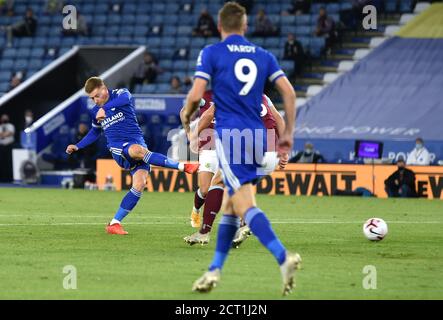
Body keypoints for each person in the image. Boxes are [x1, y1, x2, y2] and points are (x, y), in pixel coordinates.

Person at [182, 2, 300, 295]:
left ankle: (283, 257)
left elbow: (197, 95)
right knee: (231, 205)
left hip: (232, 138)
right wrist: (287, 138)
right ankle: (214, 270)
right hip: (259, 138)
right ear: (245, 27)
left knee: (245, 204)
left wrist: (187, 117)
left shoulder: (211, 52)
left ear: (219, 27)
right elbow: (289, 93)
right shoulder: (263, 55)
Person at [66, 77, 199, 235]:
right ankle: (183, 166)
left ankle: (114, 223)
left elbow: (126, 98)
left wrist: (105, 107)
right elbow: (95, 132)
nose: (95, 100)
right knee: (138, 151)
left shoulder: (121, 94)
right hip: (118, 149)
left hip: (137, 144)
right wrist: (78, 145)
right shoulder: (96, 111)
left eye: (96, 96)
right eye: (92, 98)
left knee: (139, 184)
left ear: (104, 88)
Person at [181, 91, 286, 247]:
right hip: (270, 155)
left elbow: (209, 115)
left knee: (217, 182)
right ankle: (243, 224)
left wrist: (193, 137)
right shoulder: (263, 96)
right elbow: (279, 119)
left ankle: (204, 232)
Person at [0, 114, 15, 182]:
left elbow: (10, 133)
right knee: (2, 162)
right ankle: (2, 178)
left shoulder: (11, 126)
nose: (4, 119)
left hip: (9, 146)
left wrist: (3, 134)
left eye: (6, 118)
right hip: (1, 146)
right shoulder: (0, 126)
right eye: (3, 118)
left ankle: (10, 178)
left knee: (9, 162)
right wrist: (4, 134)